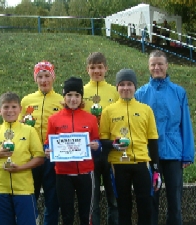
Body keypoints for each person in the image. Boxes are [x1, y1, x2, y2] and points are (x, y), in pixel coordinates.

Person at [135, 50, 195, 225]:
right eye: (153, 64)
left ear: (167, 66)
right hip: (149, 153)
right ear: (148, 66)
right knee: (151, 198)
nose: (156, 67)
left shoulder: (179, 92)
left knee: (175, 200)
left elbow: (186, 124)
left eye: (160, 64)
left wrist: (187, 154)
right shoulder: (141, 93)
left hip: (174, 152)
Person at [99, 69, 161, 225]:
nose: (126, 88)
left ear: (135, 87)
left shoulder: (146, 110)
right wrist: (114, 144)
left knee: (145, 207)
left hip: (141, 163)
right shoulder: (108, 111)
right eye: (122, 85)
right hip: (118, 165)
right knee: (123, 208)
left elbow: (153, 140)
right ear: (117, 87)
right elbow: (102, 141)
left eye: (129, 84)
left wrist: (156, 169)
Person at [0, 92, 45, 225]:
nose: (10, 110)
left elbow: (40, 158)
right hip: (0, 189)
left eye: (14, 107)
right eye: (6, 107)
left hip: (24, 189)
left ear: (20, 109)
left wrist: (20, 168)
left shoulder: (29, 131)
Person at [45, 76, 101, 225]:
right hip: (63, 174)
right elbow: (47, 143)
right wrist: (48, 150)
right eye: (69, 95)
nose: (73, 99)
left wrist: (97, 145)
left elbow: (96, 141)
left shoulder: (91, 119)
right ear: (64, 96)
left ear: (81, 97)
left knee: (85, 215)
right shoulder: (53, 119)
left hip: (86, 173)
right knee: (67, 215)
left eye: (77, 95)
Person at [19, 61, 63, 225]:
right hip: (32, 155)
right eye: (40, 76)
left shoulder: (61, 100)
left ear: (53, 77)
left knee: (53, 197)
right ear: (35, 79)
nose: (44, 80)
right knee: (30, 194)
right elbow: (18, 126)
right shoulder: (26, 101)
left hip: (53, 154)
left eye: (47, 76)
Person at [83, 52, 119, 225]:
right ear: (87, 70)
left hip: (110, 149)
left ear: (106, 68)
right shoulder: (81, 91)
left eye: (99, 67)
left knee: (114, 198)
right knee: (93, 199)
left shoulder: (114, 90)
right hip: (89, 149)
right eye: (92, 67)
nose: (96, 71)